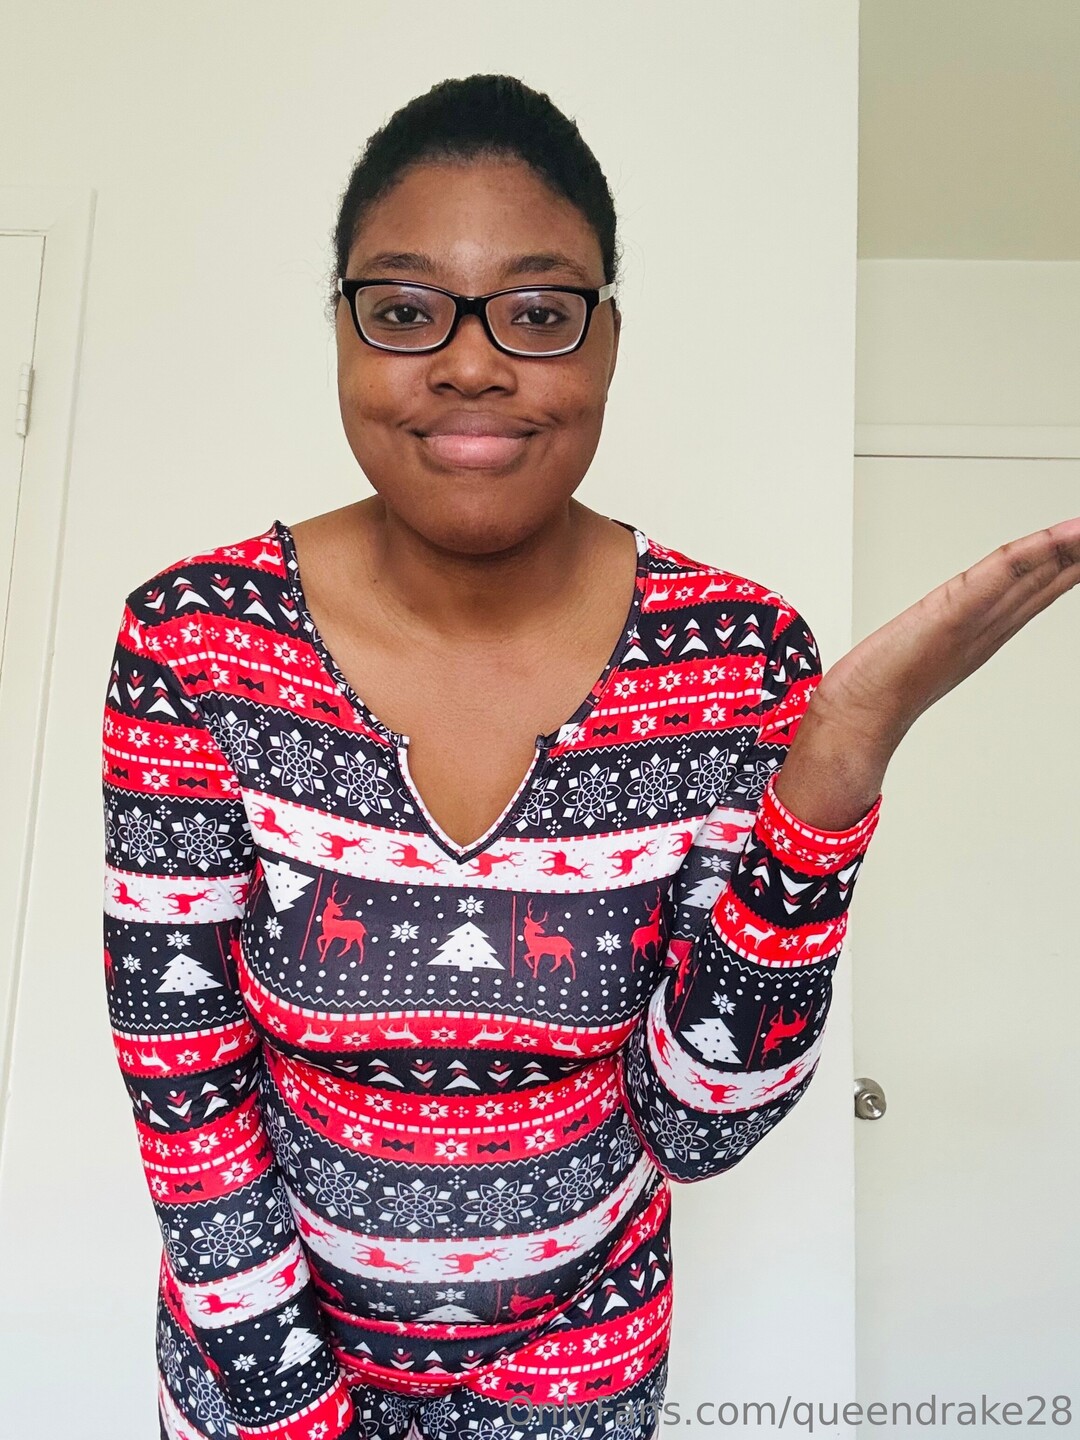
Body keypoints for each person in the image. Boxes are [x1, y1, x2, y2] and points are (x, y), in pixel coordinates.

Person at [101, 74, 1080, 1440]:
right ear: (340, 329)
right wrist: (280, 1400)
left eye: (539, 311)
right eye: (405, 310)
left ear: (609, 339)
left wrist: (835, 766)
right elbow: (181, 1067)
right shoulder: (199, 638)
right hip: (256, 1362)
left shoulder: (738, 659)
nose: (470, 364)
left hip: (583, 1374)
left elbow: (700, 1124)